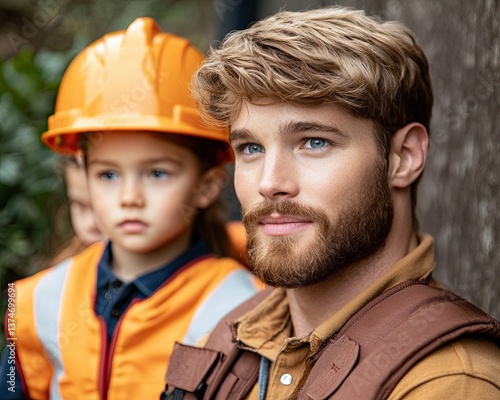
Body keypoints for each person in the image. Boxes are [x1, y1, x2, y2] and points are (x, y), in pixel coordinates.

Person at [162, 6, 500, 400]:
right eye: (250, 147)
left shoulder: (450, 381)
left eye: (314, 142)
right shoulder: (225, 338)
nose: (270, 183)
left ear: (404, 157)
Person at [0, 17, 262, 399]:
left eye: (157, 173)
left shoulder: (240, 307)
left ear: (207, 187)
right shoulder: (41, 298)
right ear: (83, 175)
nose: (129, 197)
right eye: (108, 175)